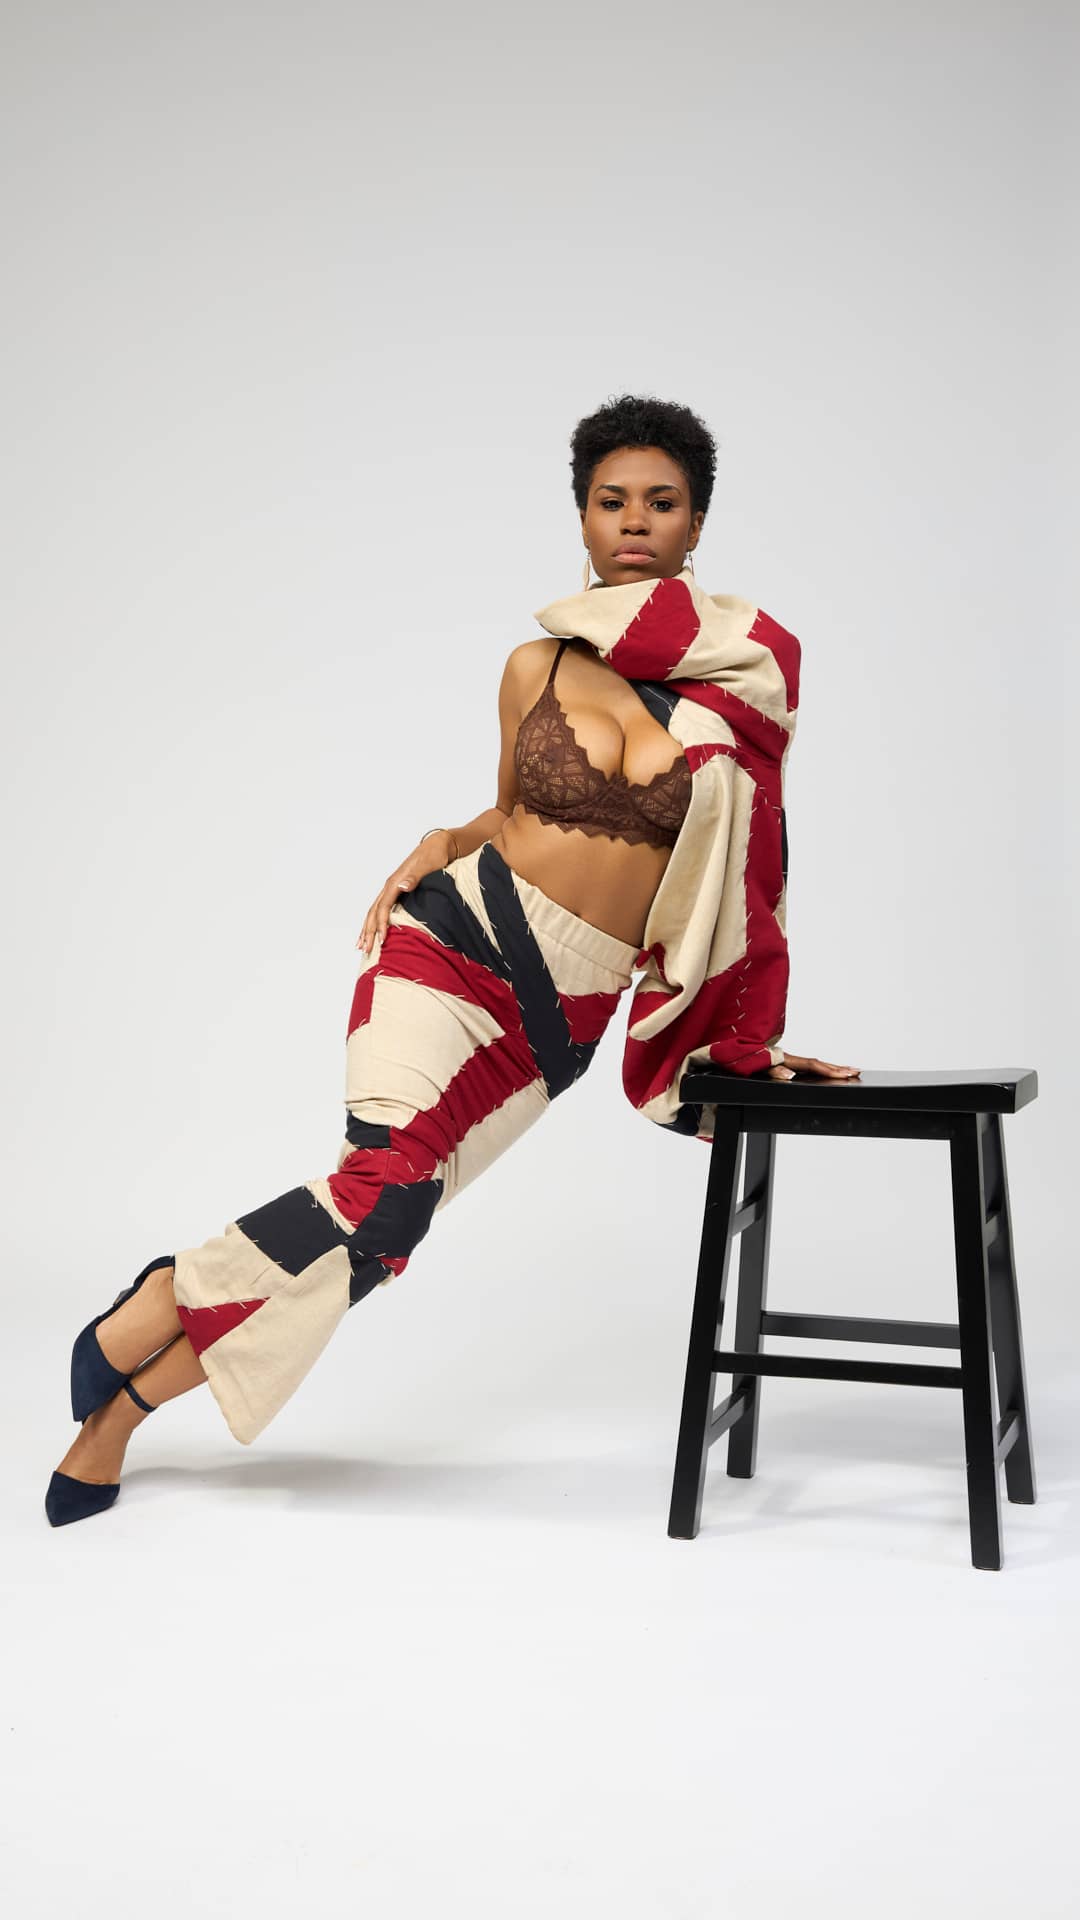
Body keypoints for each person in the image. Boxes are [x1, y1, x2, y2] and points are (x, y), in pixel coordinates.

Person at [46, 392, 859, 1526]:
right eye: (611, 500)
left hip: (558, 1015)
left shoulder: (745, 681)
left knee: (382, 1235)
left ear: (696, 523)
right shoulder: (535, 665)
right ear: (582, 518)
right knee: (378, 1190)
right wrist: (442, 839)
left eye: (661, 502)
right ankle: (119, 1416)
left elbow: (748, 877)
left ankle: (159, 1300)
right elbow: (516, 812)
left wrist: (746, 1036)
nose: (634, 520)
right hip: (454, 940)